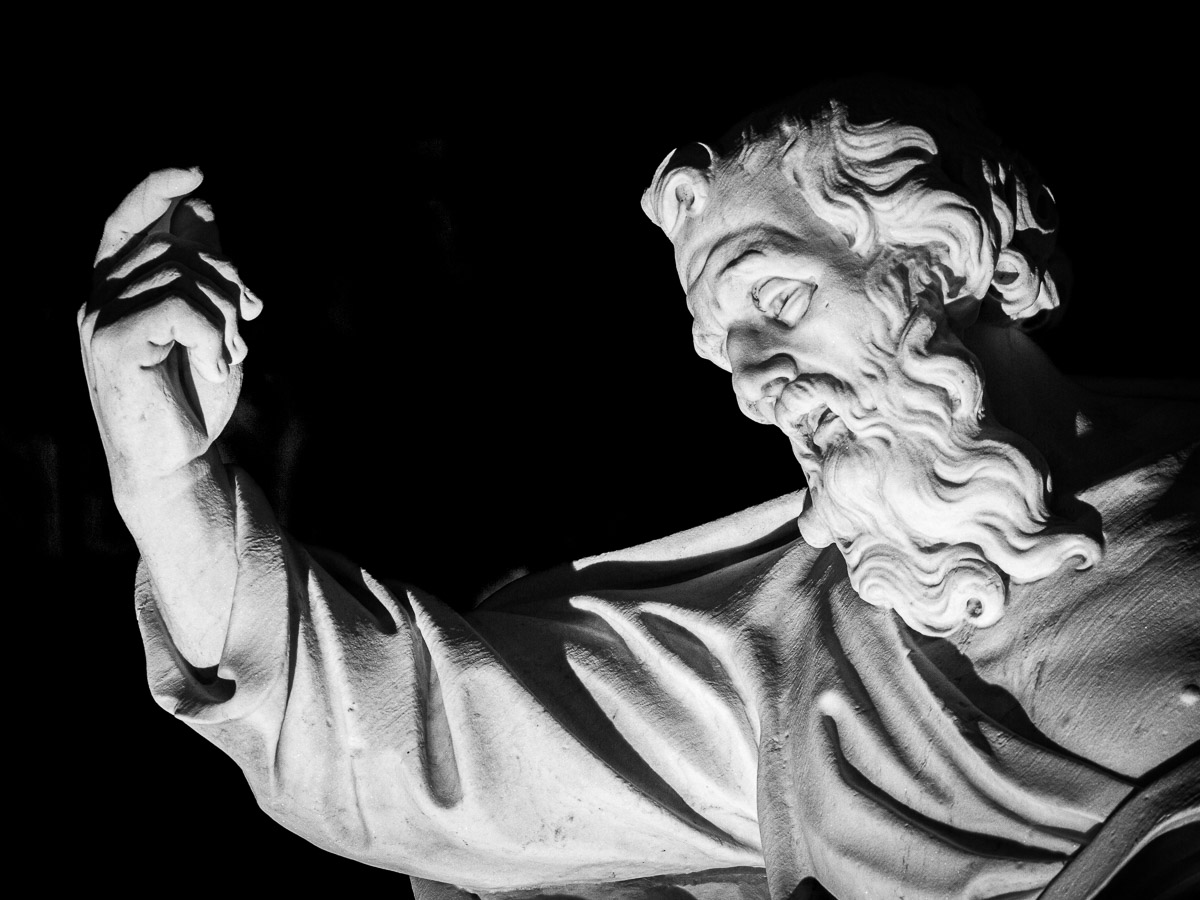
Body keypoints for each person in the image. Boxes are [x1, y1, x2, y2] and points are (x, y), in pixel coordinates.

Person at [78, 89, 1199, 899]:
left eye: (781, 299)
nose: (756, 384)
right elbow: (415, 742)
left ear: (940, 257)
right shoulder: (796, 662)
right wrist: (167, 480)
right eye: (725, 350)